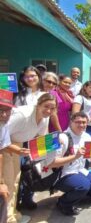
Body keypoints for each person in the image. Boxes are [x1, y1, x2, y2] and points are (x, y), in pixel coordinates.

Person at [4, 93, 56, 223]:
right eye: (46, 106)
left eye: (52, 108)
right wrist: (14, 149)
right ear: (38, 105)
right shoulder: (22, 115)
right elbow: (1, 134)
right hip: (5, 146)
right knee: (8, 183)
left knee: (15, 181)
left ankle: (12, 213)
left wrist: (55, 147)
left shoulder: (45, 117)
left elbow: (42, 138)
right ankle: (8, 218)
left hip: (18, 146)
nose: (49, 111)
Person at [51, 112, 91, 215]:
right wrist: (75, 156)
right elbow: (53, 163)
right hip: (63, 174)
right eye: (78, 122)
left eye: (84, 122)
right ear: (71, 122)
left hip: (80, 170)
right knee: (83, 186)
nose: (81, 125)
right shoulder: (62, 138)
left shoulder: (87, 136)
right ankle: (64, 203)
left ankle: (75, 195)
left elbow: (90, 158)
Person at [0, 90, 15, 223]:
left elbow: (2, 149)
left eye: (7, 111)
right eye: (0, 110)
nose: (4, 114)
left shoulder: (3, 125)